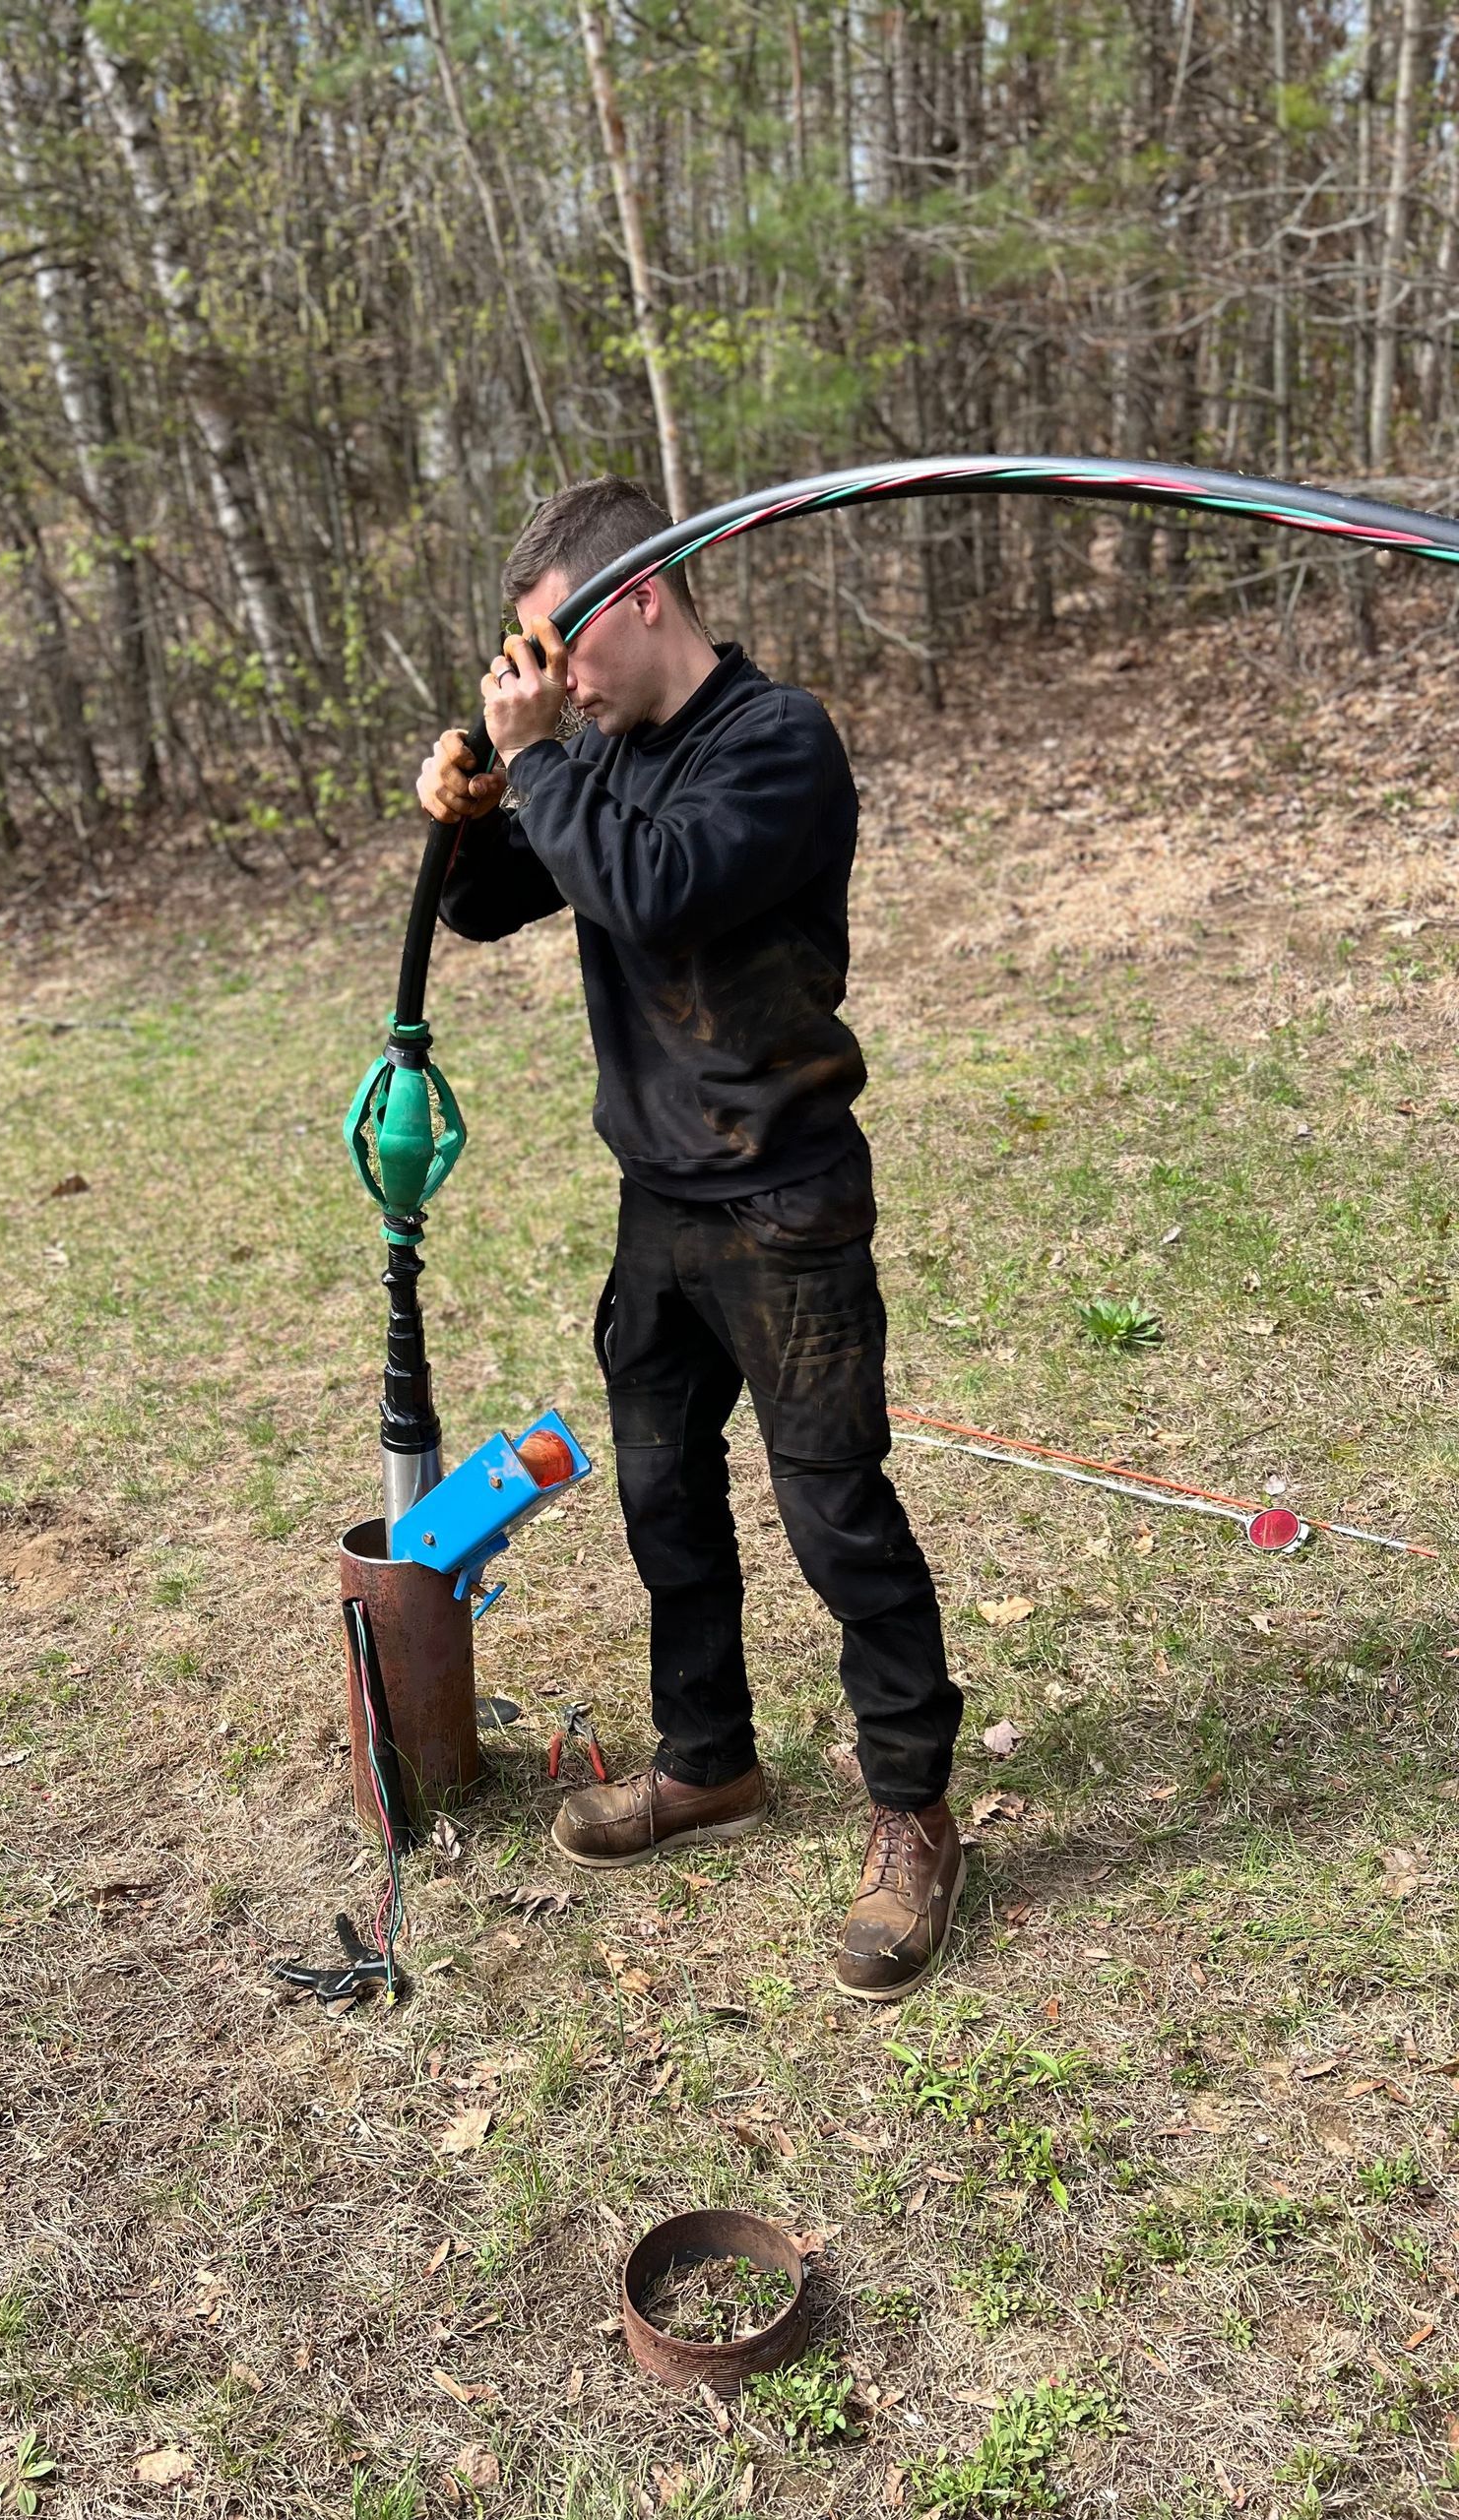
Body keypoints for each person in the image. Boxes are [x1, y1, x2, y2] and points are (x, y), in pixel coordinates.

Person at [415, 475, 965, 2003]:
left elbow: (651, 894)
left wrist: (538, 766)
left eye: (558, 646)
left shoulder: (779, 745)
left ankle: (913, 1811)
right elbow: (495, 907)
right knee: (664, 1496)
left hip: (785, 1196)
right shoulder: (604, 756)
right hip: (658, 1196)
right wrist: (468, 824)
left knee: (834, 1511)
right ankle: (707, 1759)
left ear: (638, 599)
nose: (554, 681)